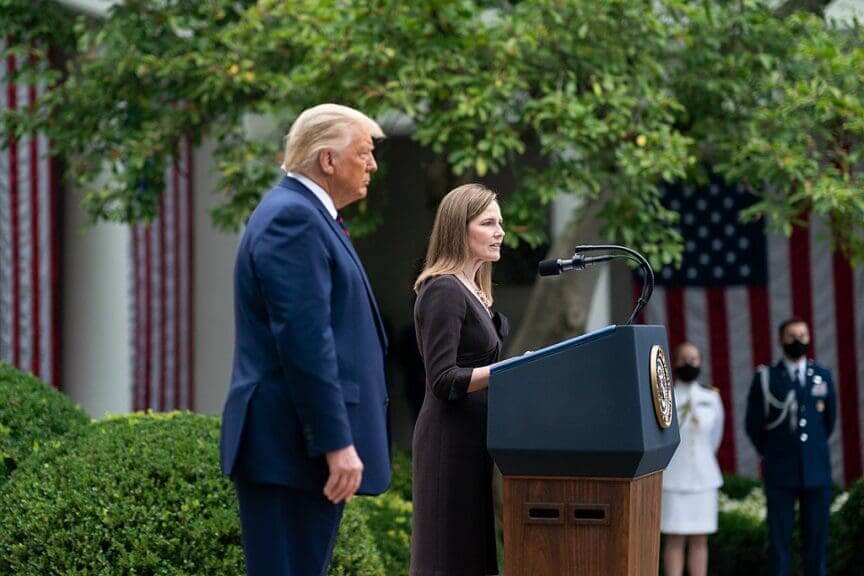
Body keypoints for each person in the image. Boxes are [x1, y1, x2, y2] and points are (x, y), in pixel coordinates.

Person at [219, 103, 391, 576]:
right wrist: (336, 443)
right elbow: (305, 341)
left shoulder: (306, 215)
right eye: (364, 152)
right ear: (328, 160)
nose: (372, 164)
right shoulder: (292, 219)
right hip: (290, 448)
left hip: (295, 449)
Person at [410, 183, 509, 576]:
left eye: (500, 222)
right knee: (447, 558)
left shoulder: (476, 293)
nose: (500, 231)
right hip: (448, 443)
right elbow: (443, 378)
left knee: (472, 556)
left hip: (473, 441)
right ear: (458, 229)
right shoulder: (443, 290)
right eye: (488, 223)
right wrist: (510, 372)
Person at [745, 317, 836, 576]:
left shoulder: (822, 375)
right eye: (791, 335)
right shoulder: (767, 377)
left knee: (816, 544)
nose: (798, 340)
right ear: (781, 340)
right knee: (779, 544)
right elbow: (754, 425)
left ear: (809, 338)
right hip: (780, 471)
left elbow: (828, 422)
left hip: (816, 471)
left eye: (802, 335)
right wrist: (774, 452)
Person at [660, 341, 724, 576]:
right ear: (675, 363)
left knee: (700, 538)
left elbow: (715, 435)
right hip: (674, 479)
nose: (689, 364)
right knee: (674, 537)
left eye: (694, 359)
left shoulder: (710, 397)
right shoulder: (666, 397)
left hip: (703, 479)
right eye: (684, 359)